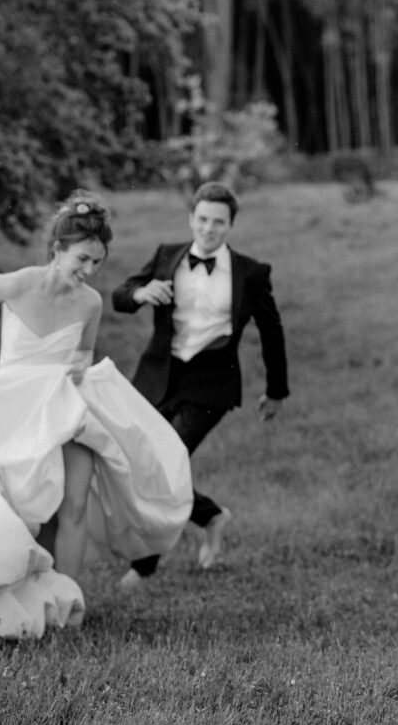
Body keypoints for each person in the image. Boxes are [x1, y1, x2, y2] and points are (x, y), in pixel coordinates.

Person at [0, 191, 193, 641]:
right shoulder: (19, 283)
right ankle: (13, 586)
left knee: (73, 504)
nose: (89, 271)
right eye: (83, 259)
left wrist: (76, 370)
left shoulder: (90, 303)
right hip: (16, 408)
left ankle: (67, 606)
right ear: (58, 250)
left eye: (97, 263)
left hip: (67, 403)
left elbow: (83, 357)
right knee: (23, 509)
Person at [112, 181, 289, 589]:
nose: (209, 229)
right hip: (159, 376)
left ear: (230, 226)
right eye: (203, 219)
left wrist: (276, 390)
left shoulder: (251, 273)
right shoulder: (166, 256)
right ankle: (210, 516)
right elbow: (119, 297)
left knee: (162, 463)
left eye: (219, 222)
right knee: (138, 463)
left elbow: (272, 331)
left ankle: (144, 565)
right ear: (192, 219)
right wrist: (141, 292)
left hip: (212, 383)